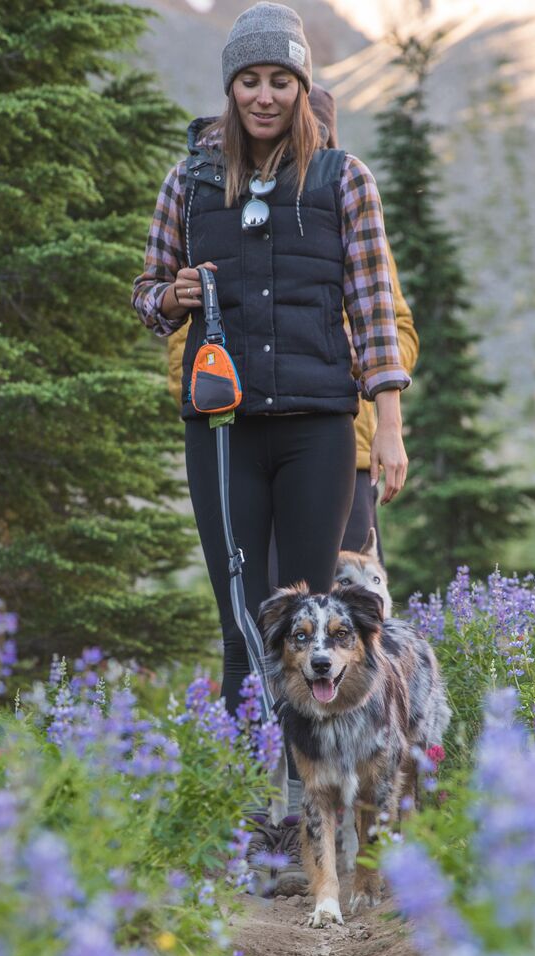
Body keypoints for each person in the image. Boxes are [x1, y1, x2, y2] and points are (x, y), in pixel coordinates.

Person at [132, 1, 411, 885]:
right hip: (222, 431)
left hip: (322, 429)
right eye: (248, 80)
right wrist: (168, 297)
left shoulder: (342, 179)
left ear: (301, 89)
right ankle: (251, 813)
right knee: (242, 621)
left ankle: (314, 818)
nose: (262, 95)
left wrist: (389, 427)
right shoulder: (190, 182)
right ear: (230, 89)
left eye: (278, 80)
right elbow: (143, 291)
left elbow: (373, 311)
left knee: (316, 621)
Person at [161, 85, 418, 576]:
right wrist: (205, 387)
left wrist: (350, 356)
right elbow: (180, 341)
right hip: (238, 427)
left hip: (347, 444)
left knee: (340, 607)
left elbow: (394, 325)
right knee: (266, 609)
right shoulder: (207, 203)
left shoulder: (346, 200)